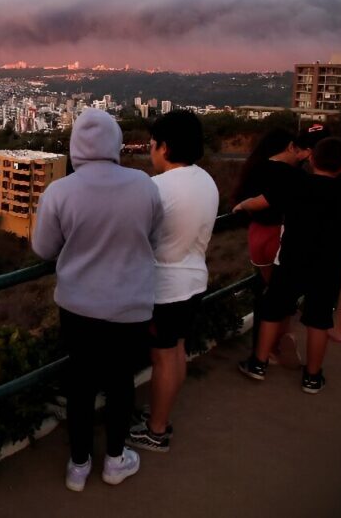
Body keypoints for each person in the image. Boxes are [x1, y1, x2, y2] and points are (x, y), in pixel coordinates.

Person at [32, 108, 163, 492]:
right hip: (130, 305)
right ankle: (115, 460)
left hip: (78, 307)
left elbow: (43, 249)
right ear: (115, 142)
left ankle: (78, 466)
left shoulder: (60, 190)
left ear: (75, 146)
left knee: (81, 385)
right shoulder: (144, 184)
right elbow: (153, 240)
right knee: (122, 383)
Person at [235, 137, 341, 393]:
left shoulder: (296, 181)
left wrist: (241, 205)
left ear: (312, 159)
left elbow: (261, 201)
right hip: (327, 265)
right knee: (319, 319)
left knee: (273, 309)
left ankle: (258, 364)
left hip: (293, 260)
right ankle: (312, 377)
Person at [127, 111, 218, 453]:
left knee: (163, 357)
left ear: (164, 147)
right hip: (194, 280)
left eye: (152, 145)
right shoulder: (206, 180)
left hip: (164, 286)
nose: (150, 151)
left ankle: (156, 429)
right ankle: (161, 413)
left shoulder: (156, 188)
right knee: (176, 350)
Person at [232, 128, 308, 368]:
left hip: (258, 235)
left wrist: (243, 205)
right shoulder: (293, 174)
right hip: (280, 237)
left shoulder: (257, 167)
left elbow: (253, 201)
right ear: (289, 147)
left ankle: (272, 346)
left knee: (272, 293)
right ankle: (276, 345)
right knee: (280, 296)